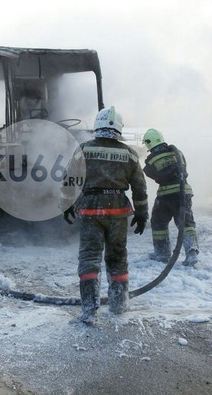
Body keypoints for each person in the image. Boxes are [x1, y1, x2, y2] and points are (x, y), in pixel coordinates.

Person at [62, 106, 148, 325]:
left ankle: (89, 310)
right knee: (118, 257)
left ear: (97, 125)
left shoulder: (84, 149)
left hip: (91, 209)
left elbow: (70, 179)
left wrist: (66, 204)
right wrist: (141, 213)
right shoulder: (128, 153)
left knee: (90, 257)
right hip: (118, 211)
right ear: (119, 128)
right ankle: (119, 305)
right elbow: (139, 187)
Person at [141, 128, 199, 267]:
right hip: (184, 192)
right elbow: (183, 169)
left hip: (166, 195)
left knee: (158, 222)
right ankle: (191, 252)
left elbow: (153, 174)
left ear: (149, 143)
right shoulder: (177, 153)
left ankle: (162, 253)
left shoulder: (150, 161)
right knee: (185, 222)